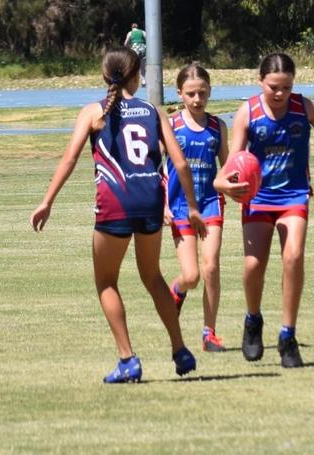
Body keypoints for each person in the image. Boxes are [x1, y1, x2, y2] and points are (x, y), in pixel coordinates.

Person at [30, 47, 206, 383]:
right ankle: (180, 348)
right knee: (153, 277)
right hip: (151, 201)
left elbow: (68, 160)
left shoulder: (94, 112)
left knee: (106, 281)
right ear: (137, 76)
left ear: (104, 75)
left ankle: (128, 359)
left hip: (115, 205)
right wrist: (193, 208)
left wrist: (47, 201)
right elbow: (179, 163)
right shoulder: (154, 112)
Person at [214, 52, 314, 368]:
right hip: (257, 197)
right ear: (260, 82)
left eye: (286, 86)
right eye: (273, 87)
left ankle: (287, 336)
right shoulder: (249, 112)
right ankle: (253, 320)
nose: (280, 94)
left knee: (293, 257)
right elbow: (230, 163)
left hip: (294, 196)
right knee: (254, 265)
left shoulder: (304, 107)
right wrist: (225, 185)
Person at [164, 63, 229, 352]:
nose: (197, 99)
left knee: (211, 267)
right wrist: (160, 204)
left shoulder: (217, 127)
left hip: (210, 203)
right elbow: (153, 168)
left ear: (210, 92)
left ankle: (209, 333)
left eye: (202, 92)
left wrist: (239, 184)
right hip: (179, 207)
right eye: (191, 93)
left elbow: (228, 169)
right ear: (180, 94)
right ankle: (175, 294)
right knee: (191, 276)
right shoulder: (170, 125)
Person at [123, 23, 147, 87]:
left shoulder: (130, 33)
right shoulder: (142, 32)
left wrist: (126, 48)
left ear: (132, 27)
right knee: (142, 66)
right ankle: (144, 81)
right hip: (143, 49)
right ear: (137, 27)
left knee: (134, 66)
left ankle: (134, 81)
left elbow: (126, 43)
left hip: (135, 49)